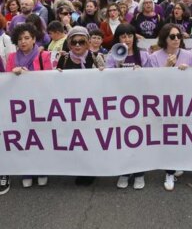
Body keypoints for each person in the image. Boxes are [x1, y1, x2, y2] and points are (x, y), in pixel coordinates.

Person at [148, 24, 192, 191]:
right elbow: (151, 82)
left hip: (184, 102)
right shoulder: (155, 57)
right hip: (163, 103)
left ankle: (177, 162)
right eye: (172, 37)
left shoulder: (189, 55)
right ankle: (169, 171)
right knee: (168, 136)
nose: (176, 39)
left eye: (178, 36)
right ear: (165, 39)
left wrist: (188, 72)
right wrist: (168, 68)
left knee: (181, 135)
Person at [56, 26, 104, 186]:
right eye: (74, 42)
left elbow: (108, 82)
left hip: (92, 108)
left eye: (81, 42)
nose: (77, 45)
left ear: (88, 43)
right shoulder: (63, 59)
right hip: (71, 108)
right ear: (69, 43)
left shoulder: (97, 58)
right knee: (77, 140)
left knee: (91, 139)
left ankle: (91, 170)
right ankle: (79, 168)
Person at [6, 23, 52, 188]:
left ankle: (42, 169)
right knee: (25, 137)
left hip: (40, 103)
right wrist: (14, 74)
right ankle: (27, 170)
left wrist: (29, 75)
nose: (23, 42)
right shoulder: (11, 58)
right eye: (19, 39)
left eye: (27, 38)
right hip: (20, 105)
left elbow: (50, 79)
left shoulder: (44, 55)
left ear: (34, 39)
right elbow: (6, 80)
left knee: (40, 137)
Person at [105, 23, 149, 189]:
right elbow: (107, 78)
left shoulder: (143, 55)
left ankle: (139, 173)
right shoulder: (112, 55)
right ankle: (124, 171)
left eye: (129, 36)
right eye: (123, 36)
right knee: (122, 139)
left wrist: (142, 72)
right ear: (118, 38)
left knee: (139, 139)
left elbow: (153, 77)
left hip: (140, 103)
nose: (127, 39)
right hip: (120, 103)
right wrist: (118, 63)